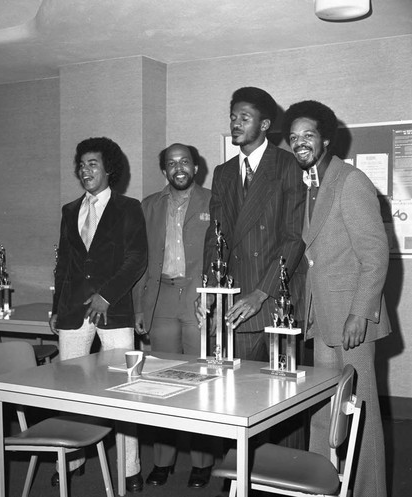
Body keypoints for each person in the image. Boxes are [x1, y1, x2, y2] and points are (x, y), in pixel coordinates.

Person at [282, 100, 390, 497]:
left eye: (307, 135)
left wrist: (360, 313)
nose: (300, 143)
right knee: (325, 408)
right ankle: (320, 486)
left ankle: (368, 491)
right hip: (322, 317)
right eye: (294, 138)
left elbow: (375, 256)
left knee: (360, 412)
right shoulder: (310, 184)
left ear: (326, 137)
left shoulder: (350, 180)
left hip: (350, 319)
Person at [50, 136, 147, 493]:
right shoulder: (68, 210)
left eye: (93, 164)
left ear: (109, 169)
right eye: (81, 164)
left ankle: (129, 467)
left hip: (115, 309)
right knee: (70, 389)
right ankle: (71, 459)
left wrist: (106, 296)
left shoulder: (129, 208)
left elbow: (137, 258)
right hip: (74, 311)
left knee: (125, 390)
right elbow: (65, 263)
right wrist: (57, 305)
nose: (85, 170)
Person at [195, 87, 306, 362]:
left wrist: (260, 293)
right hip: (232, 302)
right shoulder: (224, 173)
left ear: (264, 124)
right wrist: (211, 290)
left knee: (276, 393)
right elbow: (216, 237)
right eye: (233, 117)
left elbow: (294, 238)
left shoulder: (288, 165)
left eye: (244, 118)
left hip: (272, 300)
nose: (235, 124)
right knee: (228, 391)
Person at [133, 143, 214, 488]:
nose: (178, 168)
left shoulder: (214, 201)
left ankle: (202, 462)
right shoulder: (148, 206)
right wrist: (139, 306)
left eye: (185, 162)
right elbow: (138, 260)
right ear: (164, 171)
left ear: (196, 168)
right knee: (161, 382)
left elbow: (226, 253)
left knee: (201, 382)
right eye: (171, 163)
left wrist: (212, 296)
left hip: (198, 298)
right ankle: (163, 462)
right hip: (161, 299)